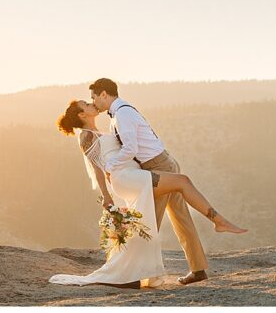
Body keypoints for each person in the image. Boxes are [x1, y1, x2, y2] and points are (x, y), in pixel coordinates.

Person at [49, 98, 246, 288]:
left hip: (135, 174)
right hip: (125, 178)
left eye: (91, 99)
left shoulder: (104, 128)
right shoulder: (85, 135)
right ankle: (218, 221)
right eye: (86, 103)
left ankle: (133, 274)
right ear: (82, 114)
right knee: (182, 181)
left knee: (147, 221)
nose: (91, 103)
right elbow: (98, 169)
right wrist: (107, 197)